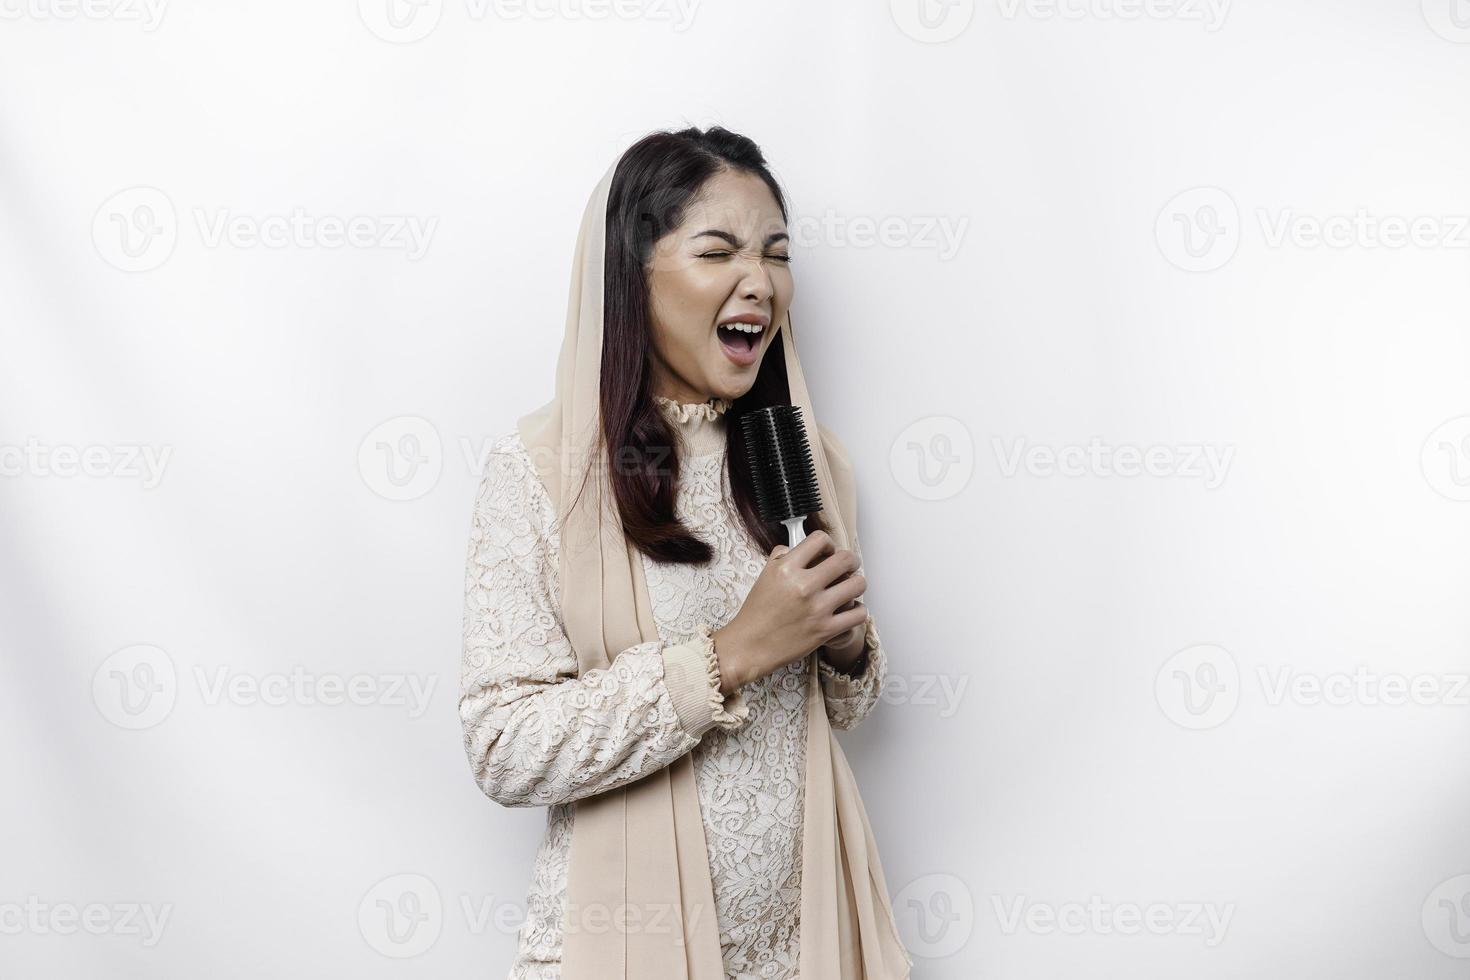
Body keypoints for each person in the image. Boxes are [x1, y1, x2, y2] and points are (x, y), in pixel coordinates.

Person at [459, 125, 913, 980]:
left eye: (777, 254)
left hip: (806, 940)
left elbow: (846, 711)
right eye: (719, 251)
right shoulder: (539, 476)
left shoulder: (809, 459)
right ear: (634, 273)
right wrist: (732, 653)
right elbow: (504, 746)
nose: (761, 282)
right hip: (619, 945)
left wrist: (845, 645)